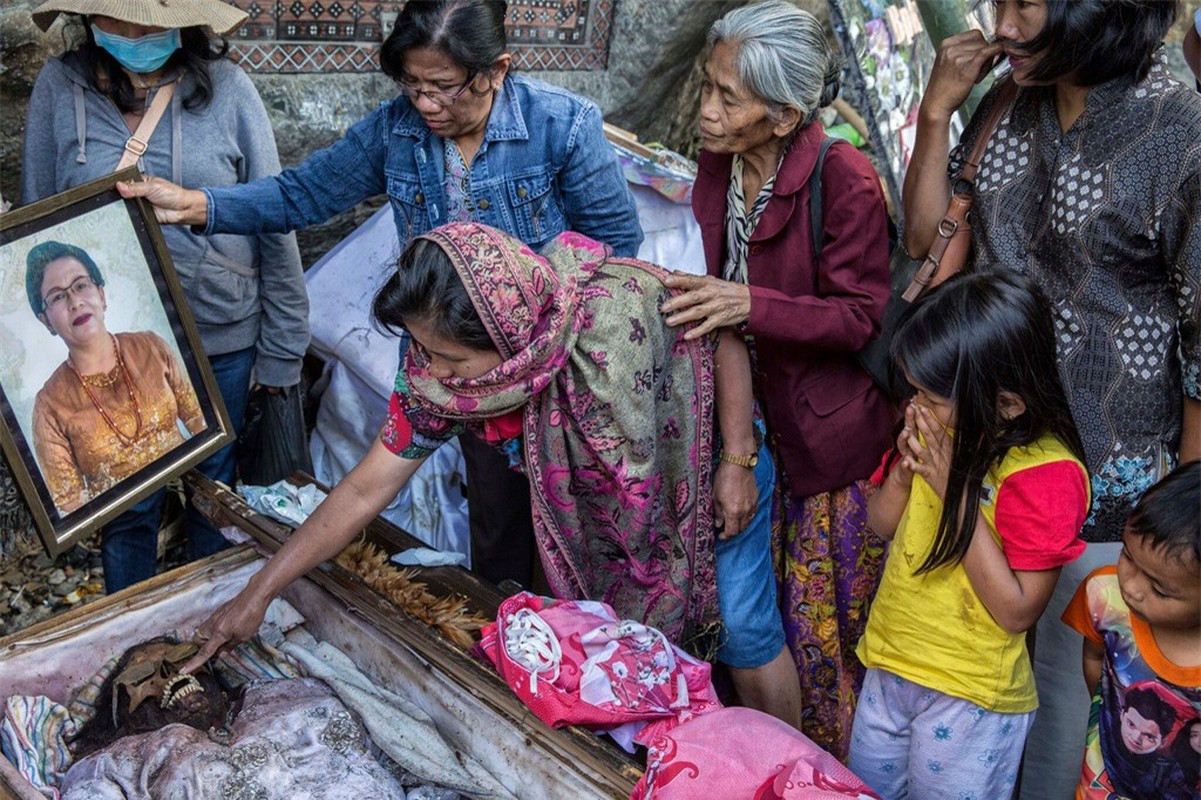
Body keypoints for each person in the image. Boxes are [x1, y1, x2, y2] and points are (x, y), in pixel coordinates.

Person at [117, 0, 642, 593]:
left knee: (574, 528)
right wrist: (198, 205)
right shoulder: (397, 131)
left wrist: (535, 334)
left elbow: (614, 254)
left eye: (444, 87)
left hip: (553, 378)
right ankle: (515, 647)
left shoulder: (562, 125)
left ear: (496, 70)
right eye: (412, 84)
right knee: (498, 527)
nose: (425, 104)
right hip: (462, 376)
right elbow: (302, 194)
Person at [180, 222, 737, 676]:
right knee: (594, 641)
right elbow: (364, 488)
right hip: (593, 529)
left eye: (452, 359)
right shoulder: (437, 383)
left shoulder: (620, 310)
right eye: (423, 350)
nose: (436, 374)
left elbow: (726, 337)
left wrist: (738, 460)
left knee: (747, 634)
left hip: (711, 476)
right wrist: (260, 591)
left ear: (508, 338)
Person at [900, 2, 1201, 794]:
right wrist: (936, 112)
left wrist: (1184, 519)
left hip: (1108, 491)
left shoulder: (1181, 131)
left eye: (1023, 5)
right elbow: (930, 249)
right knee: (957, 690)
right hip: (982, 458)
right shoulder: (1008, 98)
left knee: (1071, 725)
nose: (999, 24)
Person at [659, 0, 894, 755]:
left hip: (822, 440)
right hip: (739, 418)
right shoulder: (719, 160)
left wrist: (749, 302)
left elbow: (860, 316)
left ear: (784, 115)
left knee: (817, 624)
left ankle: (813, 769)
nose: (706, 109)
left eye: (727, 96)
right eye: (707, 85)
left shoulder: (845, 177)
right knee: (743, 613)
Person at [21, 0, 310, 593]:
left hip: (221, 336)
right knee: (126, 509)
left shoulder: (229, 89)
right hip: (114, 354)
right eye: (117, 20)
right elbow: (38, 221)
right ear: (87, 18)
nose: (134, 34)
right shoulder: (60, 87)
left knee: (216, 496)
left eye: (150, 21)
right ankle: (131, 636)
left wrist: (283, 351)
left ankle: (210, 631)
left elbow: (275, 219)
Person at [848, 272, 1090, 798]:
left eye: (929, 397)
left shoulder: (1043, 474)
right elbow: (881, 525)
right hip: (891, 664)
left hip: (971, 696)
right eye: (913, 390)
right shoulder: (940, 428)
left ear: (1007, 404)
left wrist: (951, 484)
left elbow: (1016, 609)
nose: (915, 408)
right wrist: (906, 471)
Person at [25, 241, 206, 516]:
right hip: (121, 520)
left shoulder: (151, 346)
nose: (75, 301)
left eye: (81, 285)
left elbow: (200, 422)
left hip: (192, 489)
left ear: (101, 293)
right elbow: (72, 503)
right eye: (58, 297)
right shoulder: (49, 404)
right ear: (46, 321)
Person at [1062, 460, 1200, 800]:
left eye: (1160, 589)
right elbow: (1096, 659)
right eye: (1128, 556)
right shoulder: (1105, 598)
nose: (1132, 587)